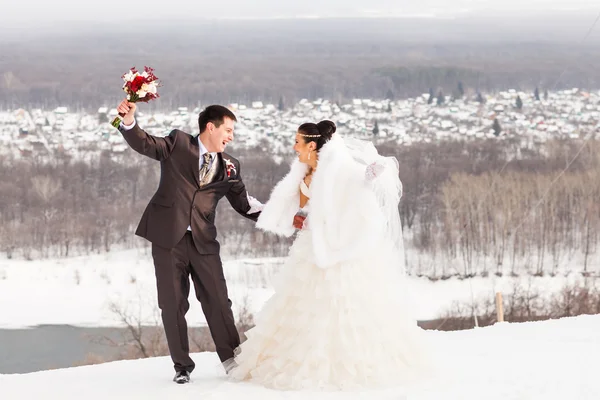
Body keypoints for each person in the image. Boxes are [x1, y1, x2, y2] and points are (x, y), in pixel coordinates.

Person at [226, 120, 430, 391]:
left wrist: (370, 176)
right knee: (301, 304)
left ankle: (343, 364)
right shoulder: (302, 171)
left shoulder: (341, 168)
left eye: (297, 142)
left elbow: (358, 185)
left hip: (337, 248)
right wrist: (299, 218)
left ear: (312, 144)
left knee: (340, 303)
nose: (293, 147)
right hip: (308, 248)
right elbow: (299, 207)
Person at [115, 100, 262, 384]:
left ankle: (232, 362)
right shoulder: (178, 143)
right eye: (228, 130)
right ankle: (182, 366)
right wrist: (129, 121)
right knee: (173, 304)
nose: (231, 136)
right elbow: (146, 144)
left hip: (204, 242)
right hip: (168, 239)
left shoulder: (230, 165)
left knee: (219, 302)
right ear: (211, 127)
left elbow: (245, 205)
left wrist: (282, 214)